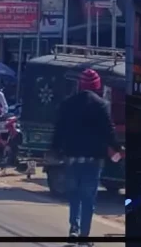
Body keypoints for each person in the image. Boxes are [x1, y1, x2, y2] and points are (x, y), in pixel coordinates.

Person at [50, 68, 123, 243]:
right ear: (97, 86)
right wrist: (117, 148)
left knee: (74, 195)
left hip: (71, 158)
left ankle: (73, 229)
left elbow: (59, 129)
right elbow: (109, 131)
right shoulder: (101, 105)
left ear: (80, 84)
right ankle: (84, 235)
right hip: (93, 160)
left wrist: (54, 149)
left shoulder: (68, 104)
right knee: (88, 198)